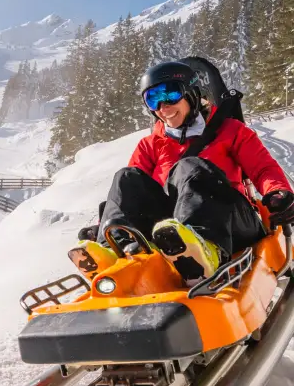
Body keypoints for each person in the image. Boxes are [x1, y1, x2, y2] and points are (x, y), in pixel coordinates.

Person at [77, 60, 294, 285]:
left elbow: (263, 169)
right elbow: (128, 196)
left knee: (190, 166)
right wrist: (105, 224)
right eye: (153, 99)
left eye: (170, 94)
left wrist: (278, 193)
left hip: (231, 222)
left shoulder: (231, 131)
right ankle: (115, 253)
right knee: (126, 177)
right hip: (171, 234)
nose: (163, 106)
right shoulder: (150, 144)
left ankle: (205, 248)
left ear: (191, 93)